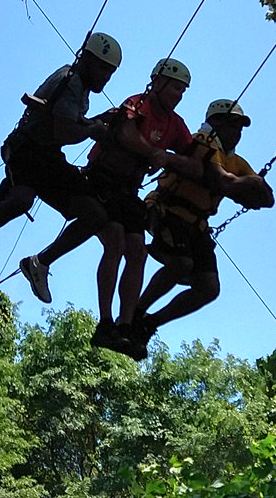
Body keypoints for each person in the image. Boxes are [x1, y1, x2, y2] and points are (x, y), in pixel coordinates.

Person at [0, 32, 122, 300]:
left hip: (48, 158)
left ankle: (39, 263)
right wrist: (94, 130)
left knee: (95, 214)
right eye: (103, 68)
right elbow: (64, 131)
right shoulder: (71, 81)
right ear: (87, 59)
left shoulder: (79, 88)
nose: (106, 77)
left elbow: (71, 123)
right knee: (20, 200)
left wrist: (95, 121)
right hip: (28, 151)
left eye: (111, 72)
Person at [127, 98, 275, 357]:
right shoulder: (202, 143)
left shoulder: (236, 161)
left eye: (240, 128)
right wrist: (248, 184)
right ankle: (135, 313)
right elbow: (225, 181)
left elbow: (267, 198)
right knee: (181, 264)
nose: (237, 133)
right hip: (168, 211)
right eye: (232, 125)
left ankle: (149, 324)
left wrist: (249, 187)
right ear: (216, 124)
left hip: (197, 224)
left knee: (208, 287)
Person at [87, 58, 202, 356]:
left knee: (137, 251)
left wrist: (171, 159)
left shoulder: (175, 125)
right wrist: (154, 153)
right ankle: (105, 323)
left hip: (128, 191)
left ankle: (125, 325)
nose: (179, 95)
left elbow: (193, 162)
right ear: (159, 83)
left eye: (183, 91)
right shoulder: (137, 104)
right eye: (176, 88)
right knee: (114, 241)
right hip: (102, 180)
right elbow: (125, 133)